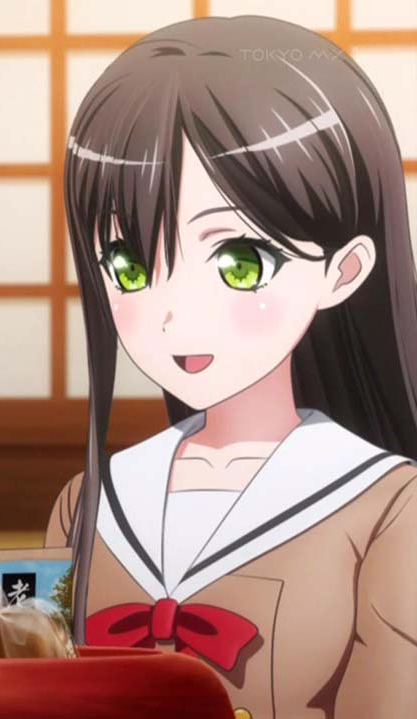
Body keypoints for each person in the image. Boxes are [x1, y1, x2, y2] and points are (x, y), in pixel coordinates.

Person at [48, 17, 417, 718]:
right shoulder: (90, 501)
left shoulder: (389, 508)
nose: (174, 316)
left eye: (239, 262)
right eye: (128, 267)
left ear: (343, 270)